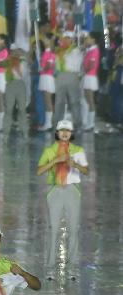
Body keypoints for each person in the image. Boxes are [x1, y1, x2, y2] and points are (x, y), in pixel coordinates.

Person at [36, 120, 89, 280]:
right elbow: (39, 171)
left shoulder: (78, 150)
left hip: (73, 191)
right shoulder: (50, 150)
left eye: (68, 130)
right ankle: (50, 268)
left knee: (74, 229)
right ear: (57, 133)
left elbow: (86, 170)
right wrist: (54, 161)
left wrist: (76, 165)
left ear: (71, 133)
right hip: (55, 190)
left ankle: (72, 268)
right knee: (53, 229)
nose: (65, 133)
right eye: (61, 130)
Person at [81, 33, 100, 132]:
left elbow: (92, 65)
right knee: (88, 100)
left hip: (90, 77)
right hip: (88, 76)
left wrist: (86, 69)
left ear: (93, 40)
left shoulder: (94, 51)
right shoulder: (90, 50)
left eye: (88, 38)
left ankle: (91, 123)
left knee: (90, 100)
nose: (86, 40)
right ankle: (89, 122)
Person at [37, 36, 56, 131]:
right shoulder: (44, 53)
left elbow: (48, 65)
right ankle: (47, 122)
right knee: (46, 100)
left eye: (46, 39)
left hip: (47, 77)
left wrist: (42, 69)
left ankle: (48, 123)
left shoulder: (51, 54)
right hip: (44, 77)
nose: (44, 40)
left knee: (48, 101)